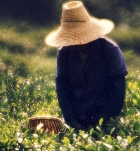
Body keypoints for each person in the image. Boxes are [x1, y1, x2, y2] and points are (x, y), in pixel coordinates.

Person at [45, 1, 128, 130]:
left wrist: (101, 122)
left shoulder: (109, 50)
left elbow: (117, 90)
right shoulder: (64, 53)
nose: (77, 43)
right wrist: (71, 119)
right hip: (77, 116)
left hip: (104, 116)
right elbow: (62, 87)